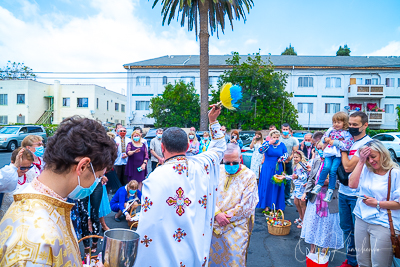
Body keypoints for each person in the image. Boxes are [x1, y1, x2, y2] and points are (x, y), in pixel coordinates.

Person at [0, 116, 116, 266]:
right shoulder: (33, 241)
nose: (97, 182)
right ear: (82, 166)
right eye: (98, 176)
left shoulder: (49, 203)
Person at [134, 105, 226, 267]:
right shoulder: (202, 165)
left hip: (166, 257)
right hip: (195, 254)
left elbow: (149, 224)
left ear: (162, 148)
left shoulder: (155, 177)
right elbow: (219, 148)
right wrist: (213, 121)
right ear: (188, 147)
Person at [348, 140, 400, 267]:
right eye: (367, 158)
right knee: (363, 263)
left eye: (373, 156)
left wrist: (377, 203)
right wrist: (360, 161)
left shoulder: (395, 173)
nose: (370, 161)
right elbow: (352, 185)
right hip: (361, 219)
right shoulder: (366, 168)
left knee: (379, 264)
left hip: (383, 224)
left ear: (383, 154)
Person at [209, 144, 259, 266]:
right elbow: (206, 193)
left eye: (235, 162)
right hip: (213, 225)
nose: (231, 166)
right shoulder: (216, 171)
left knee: (234, 261)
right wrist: (216, 213)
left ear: (240, 158)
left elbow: (247, 204)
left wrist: (223, 218)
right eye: (227, 163)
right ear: (222, 160)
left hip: (236, 227)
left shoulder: (249, 176)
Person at [337, 111, 371, 267]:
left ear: (365, 125)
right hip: (343, 192)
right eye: (349, 124)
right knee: (346, 228)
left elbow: (348, 166)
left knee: (359, 232)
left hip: (357, 195)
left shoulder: (367, 144)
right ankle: (351, 260)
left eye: (355, 125)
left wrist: (343, 150)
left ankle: (359, 262)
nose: (351, 127)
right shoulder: (349, 141)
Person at [301, 148, 344, 258]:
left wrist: (329, 182)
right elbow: (311, 178)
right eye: (318, 149)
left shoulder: (339, 162)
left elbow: (342, 183)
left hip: (330, 201)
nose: (320, 151)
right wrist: (306, 193)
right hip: (315, 199)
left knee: (327, 226)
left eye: (322, 149)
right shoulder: (317, 161)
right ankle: (312, 250)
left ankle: (324, 251)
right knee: (313, 224)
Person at [311, 112, 354, 202]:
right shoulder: (331, 129)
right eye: (334, 122)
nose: (336, 124)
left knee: (333, 170)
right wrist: (325, 139)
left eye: (339, 122)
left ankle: (330, 191)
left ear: (344, 123)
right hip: (329, 153)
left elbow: (347, 145)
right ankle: (319, 185)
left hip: (338, 154)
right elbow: (324, 137)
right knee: (326, 167)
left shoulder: (346, 133)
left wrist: (335, 142)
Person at [256, 130, 288, 211]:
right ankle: (266, 205)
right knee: (267, 184)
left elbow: (286, 154)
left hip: (278, 167)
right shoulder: (267, 144)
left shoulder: (282, 145)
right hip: (267, 167)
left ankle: (276, 205)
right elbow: (260, 150)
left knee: (277, 184)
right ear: (270, 137)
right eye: (274, 137)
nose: (276, 139)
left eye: (277, 137)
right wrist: (269, 143)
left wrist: (282, 158)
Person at [0, 148, 34, 220]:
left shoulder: (31, 175)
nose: (26, 170)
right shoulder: (6, 174)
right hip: (8, 218)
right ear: (13, 162)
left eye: (29, 167)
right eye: (23, 167)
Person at [280, 123, 299, 207]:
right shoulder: (279, 139)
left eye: (286, 129)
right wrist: (282, 159)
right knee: (279, 180)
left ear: (289, 130)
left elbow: (294, 151)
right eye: (283, 129)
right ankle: (279, 198)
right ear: (281, 130)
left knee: (288, 181)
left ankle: (287, 198)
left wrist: (289, 158)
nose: (285, 131)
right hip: (279, 162)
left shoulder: (293, 140)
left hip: (289, 163)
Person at [292, 150, 308, 229]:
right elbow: (293, 176)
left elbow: (305, 176)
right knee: (296, 202)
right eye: (294, 157)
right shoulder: (296, 166)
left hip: (302, 187)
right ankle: (301, 217)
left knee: (302, 204)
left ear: (301, 157)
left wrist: (297, 177)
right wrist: (284, 177)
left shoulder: (302, 165)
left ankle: (304, 221)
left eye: (297, 157)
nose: (295, 159)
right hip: (297, 187)